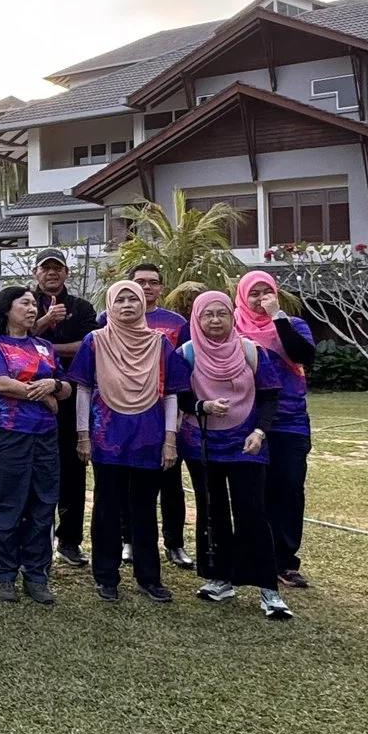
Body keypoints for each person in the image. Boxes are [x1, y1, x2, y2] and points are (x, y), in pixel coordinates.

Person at [168, 290, 288, 619]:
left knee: (253, 512)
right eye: (208, 314)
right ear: (197, 319)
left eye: (222, 313)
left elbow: (270, 397)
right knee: (212, 511)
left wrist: (260, 432)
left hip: (247, 443)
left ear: (232, 316)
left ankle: (268, 588)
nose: (215, 320)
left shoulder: (252, 351)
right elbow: (176, 399)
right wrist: (202, 406)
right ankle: (220, 579)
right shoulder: (185, 354)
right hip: (201, 443)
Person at [71, 279, 180, 606]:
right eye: (120, 300)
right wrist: (82, 435)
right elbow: (83, 389)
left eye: (134, 299)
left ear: (144, 304)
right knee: (106, 508)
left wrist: (171, 441)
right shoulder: (95, 341)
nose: (128, 305)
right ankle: (106, 577)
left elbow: (172, 393)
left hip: (149, 437)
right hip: (108, 438)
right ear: (110, 305)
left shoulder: (160, 345)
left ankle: (149, 578)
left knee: (145, 510)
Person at [0, 285, 67, 601]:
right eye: (24, 303)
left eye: (34, 304)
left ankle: (37, 574)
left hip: (45, 435)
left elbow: (65, 387)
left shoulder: (44, 346)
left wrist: (53, 386)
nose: (32, 309)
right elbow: (0, 383)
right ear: (6, 310)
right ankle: (5, 573)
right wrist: (44, 397)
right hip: (7, 432)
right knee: (8, 500)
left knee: (43, 502)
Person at [235, 269, 317, 592]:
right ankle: (255, 559)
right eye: (252, 293)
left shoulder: (292, 325)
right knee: (253, 493)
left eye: (265, 292)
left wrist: (276, 317)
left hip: (290, 422)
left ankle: (285, 561)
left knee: (289, 490)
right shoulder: (234, 328)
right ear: (242, 295)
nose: (259, 299)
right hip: (247, 421)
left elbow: (303, 355)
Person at [27, 248, 99, 568]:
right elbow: (10, 340)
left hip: (73, 396)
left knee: (72, 469)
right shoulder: (23, 302)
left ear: (67, 273)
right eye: (46, 268)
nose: (52, 273)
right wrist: (43, 322)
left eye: (58, 268)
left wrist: (42, 346)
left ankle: (69, 540)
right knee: (33, 470)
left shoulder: (81, 307)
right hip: (29, 396)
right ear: (36, 272)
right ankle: (34, 537)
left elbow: (88, 344)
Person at [128, 261, 194, 569]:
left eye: (152, 282)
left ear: (161, 288)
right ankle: (128, 540)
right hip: (126, 414)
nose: (146, 287)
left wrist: (180, 409)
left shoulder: (176, 322)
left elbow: (185, 368)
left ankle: (174, 543)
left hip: (166, 410)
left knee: (170, 480)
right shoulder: (111, 317)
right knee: (129, 481)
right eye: (140, 281)